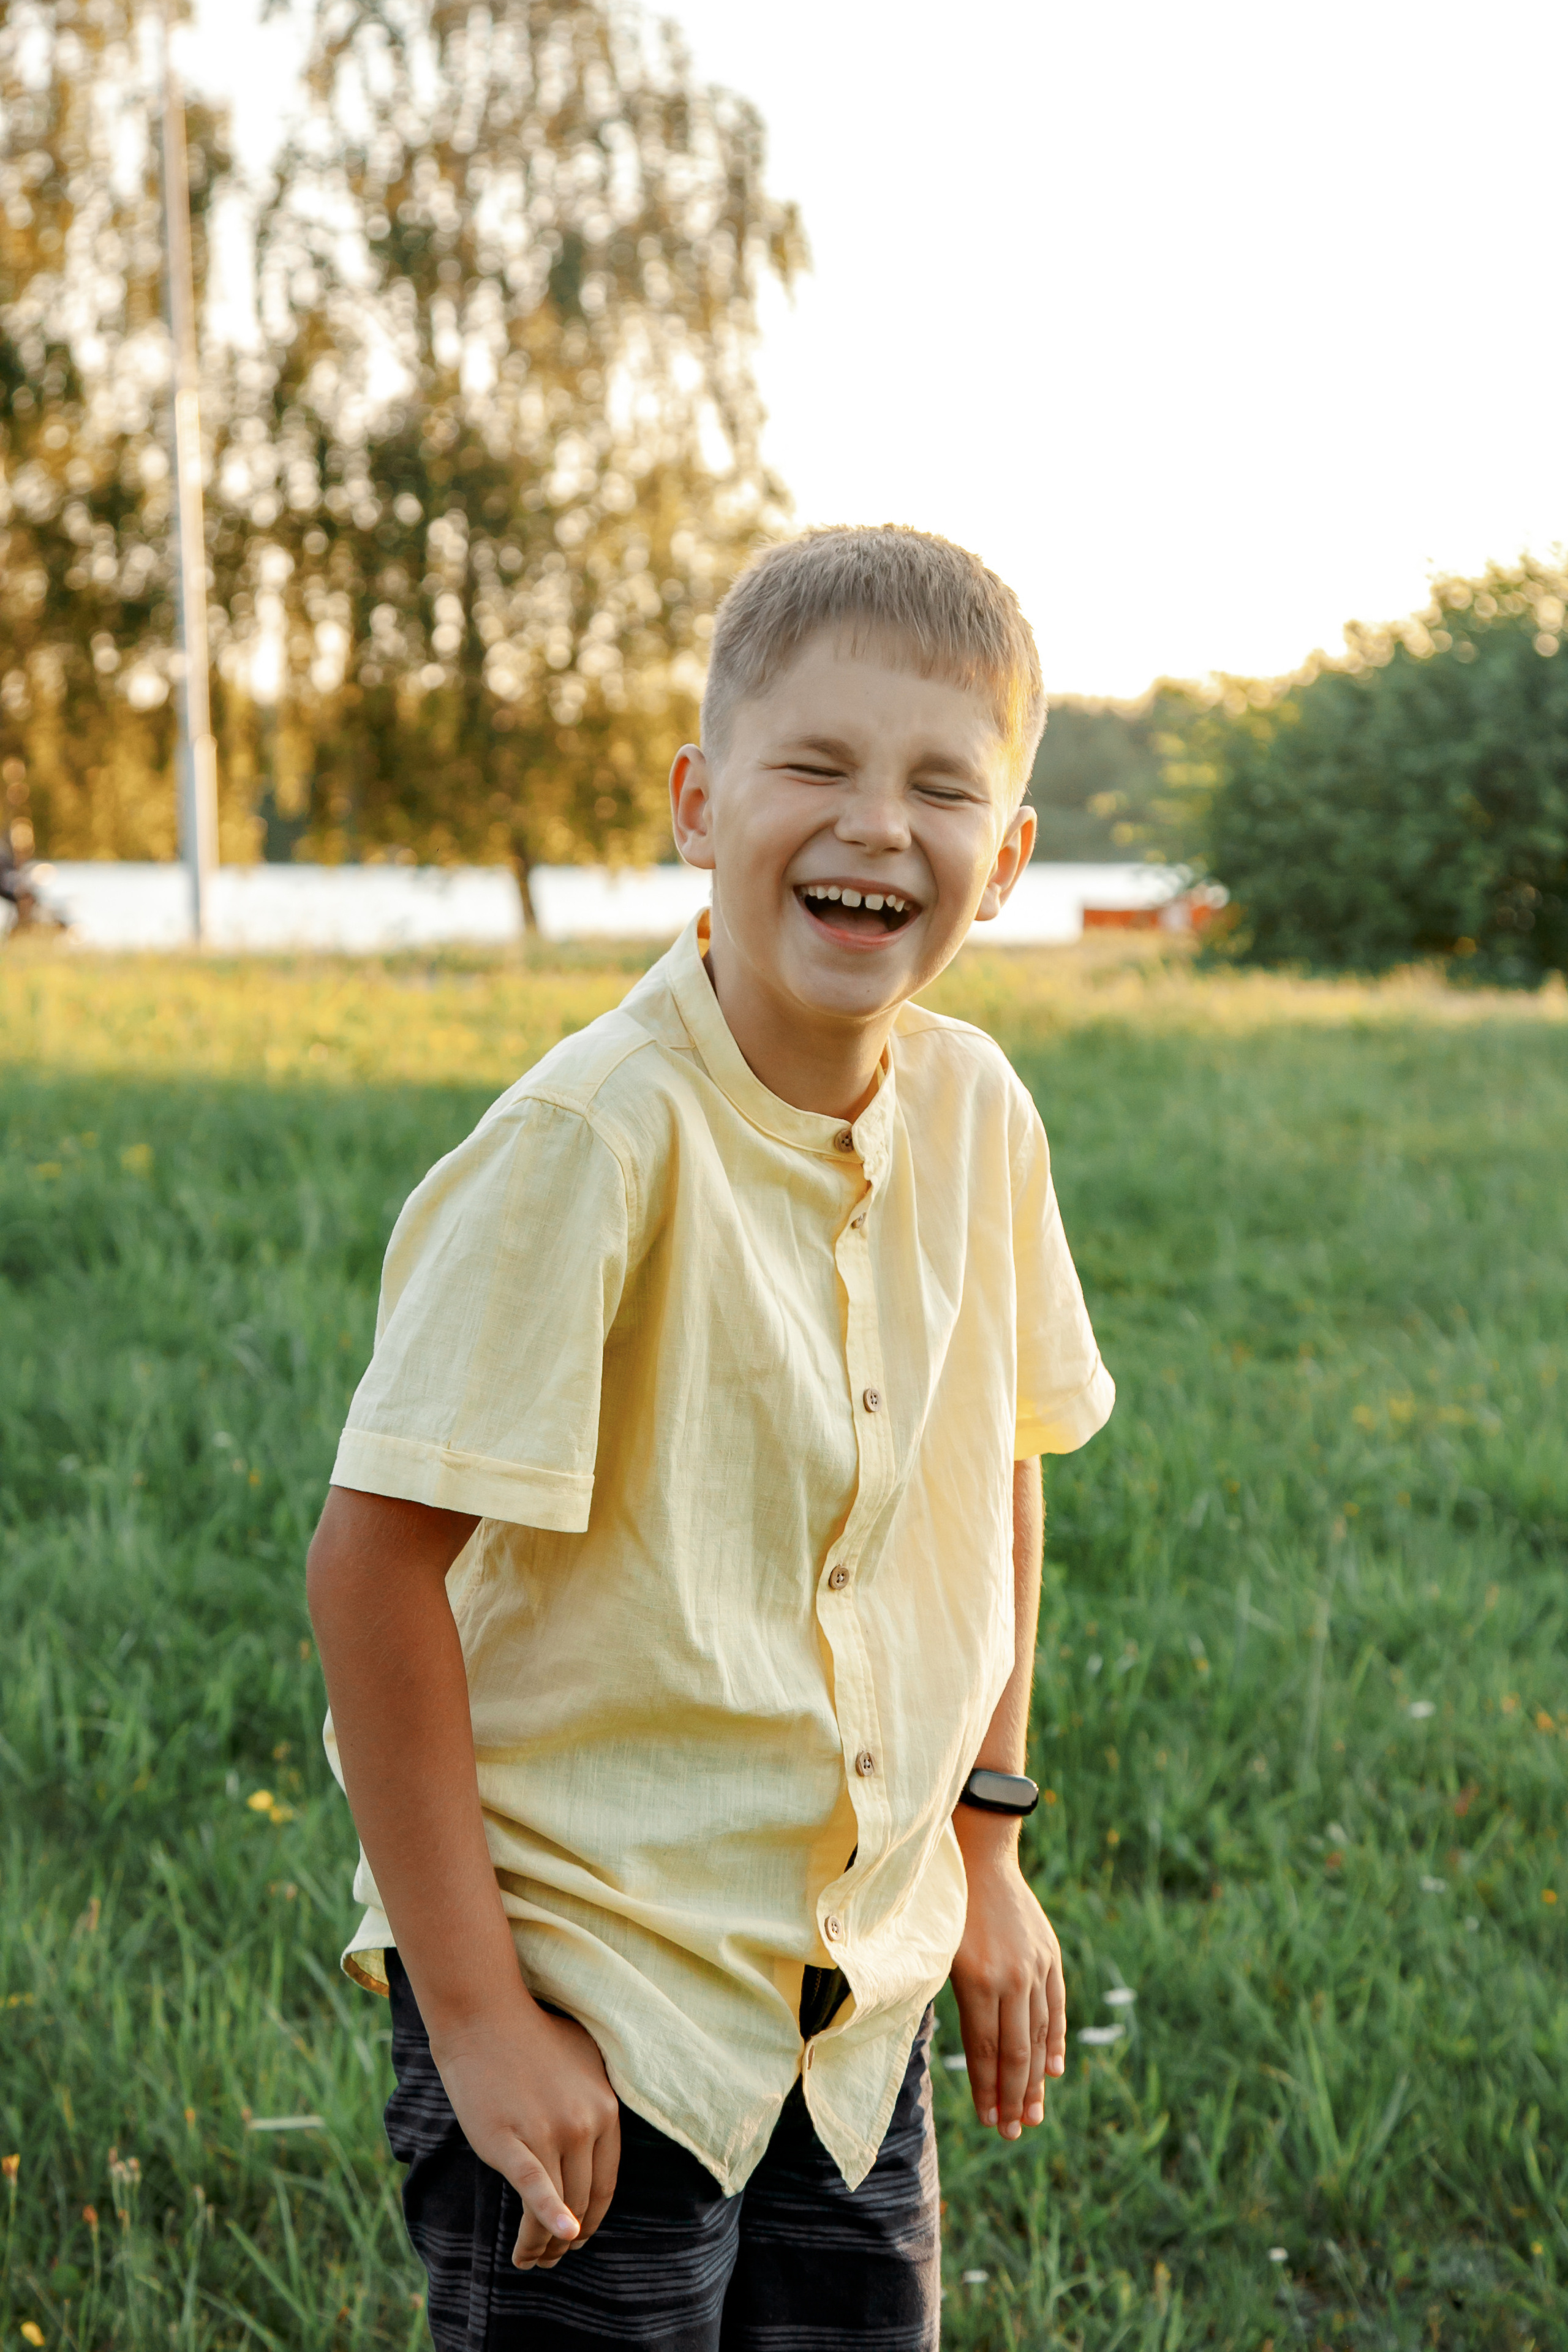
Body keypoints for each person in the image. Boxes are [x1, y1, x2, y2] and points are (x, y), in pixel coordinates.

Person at [306, 525, 1115, 2351]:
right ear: (697, 803)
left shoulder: (981, 1116)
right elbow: (371, 1571)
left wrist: (986, 1848)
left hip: (851, 2003)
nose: (876, 827)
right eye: (814, 765)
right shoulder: (593, 1141)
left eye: (942, 789)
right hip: (594, 1993)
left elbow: (997, 1464)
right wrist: (483, 2020)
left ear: (1005, 858)